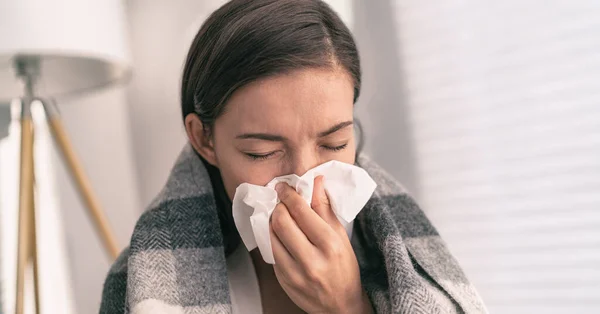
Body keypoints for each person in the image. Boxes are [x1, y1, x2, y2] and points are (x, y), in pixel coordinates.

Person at [100, 0, 486, 313]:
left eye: (334, 144)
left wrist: (349, 306)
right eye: (262, 151)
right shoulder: (139, 282)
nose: (305, 181)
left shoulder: (410, 259)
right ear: (205, 140)